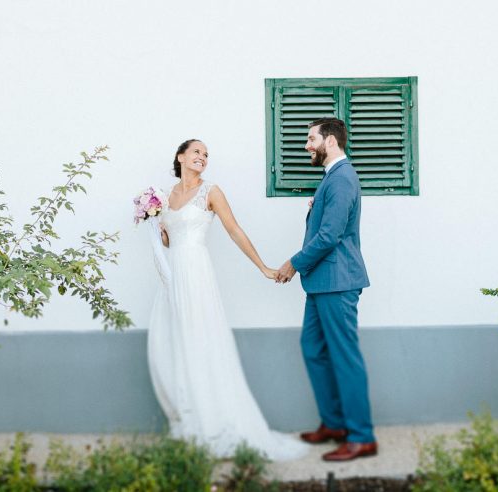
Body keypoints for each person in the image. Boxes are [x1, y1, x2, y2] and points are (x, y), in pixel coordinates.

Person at [147, 139, 307, 461]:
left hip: (196, 272)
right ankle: (188, 418)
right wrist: (159, 230)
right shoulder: (164, 196)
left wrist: (262, 266)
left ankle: (211, 421)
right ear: (180, 156)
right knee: (172, 342)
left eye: (206, 155)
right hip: (172, 275)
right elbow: (167, 241)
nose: (202, 157)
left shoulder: (212, 192)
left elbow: (234, 230)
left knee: (199, 340)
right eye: (197, 152)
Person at [275, 117, 377, 462]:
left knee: (344, 358)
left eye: (311, 139)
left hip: (338, 282)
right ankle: (334, 424)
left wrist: (294, 263)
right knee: (313, 349)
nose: (307, 146)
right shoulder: (332, 178)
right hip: (322, 282)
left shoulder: (343, 177)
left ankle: (361, 436)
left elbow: (330, 236)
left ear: (330, 141)